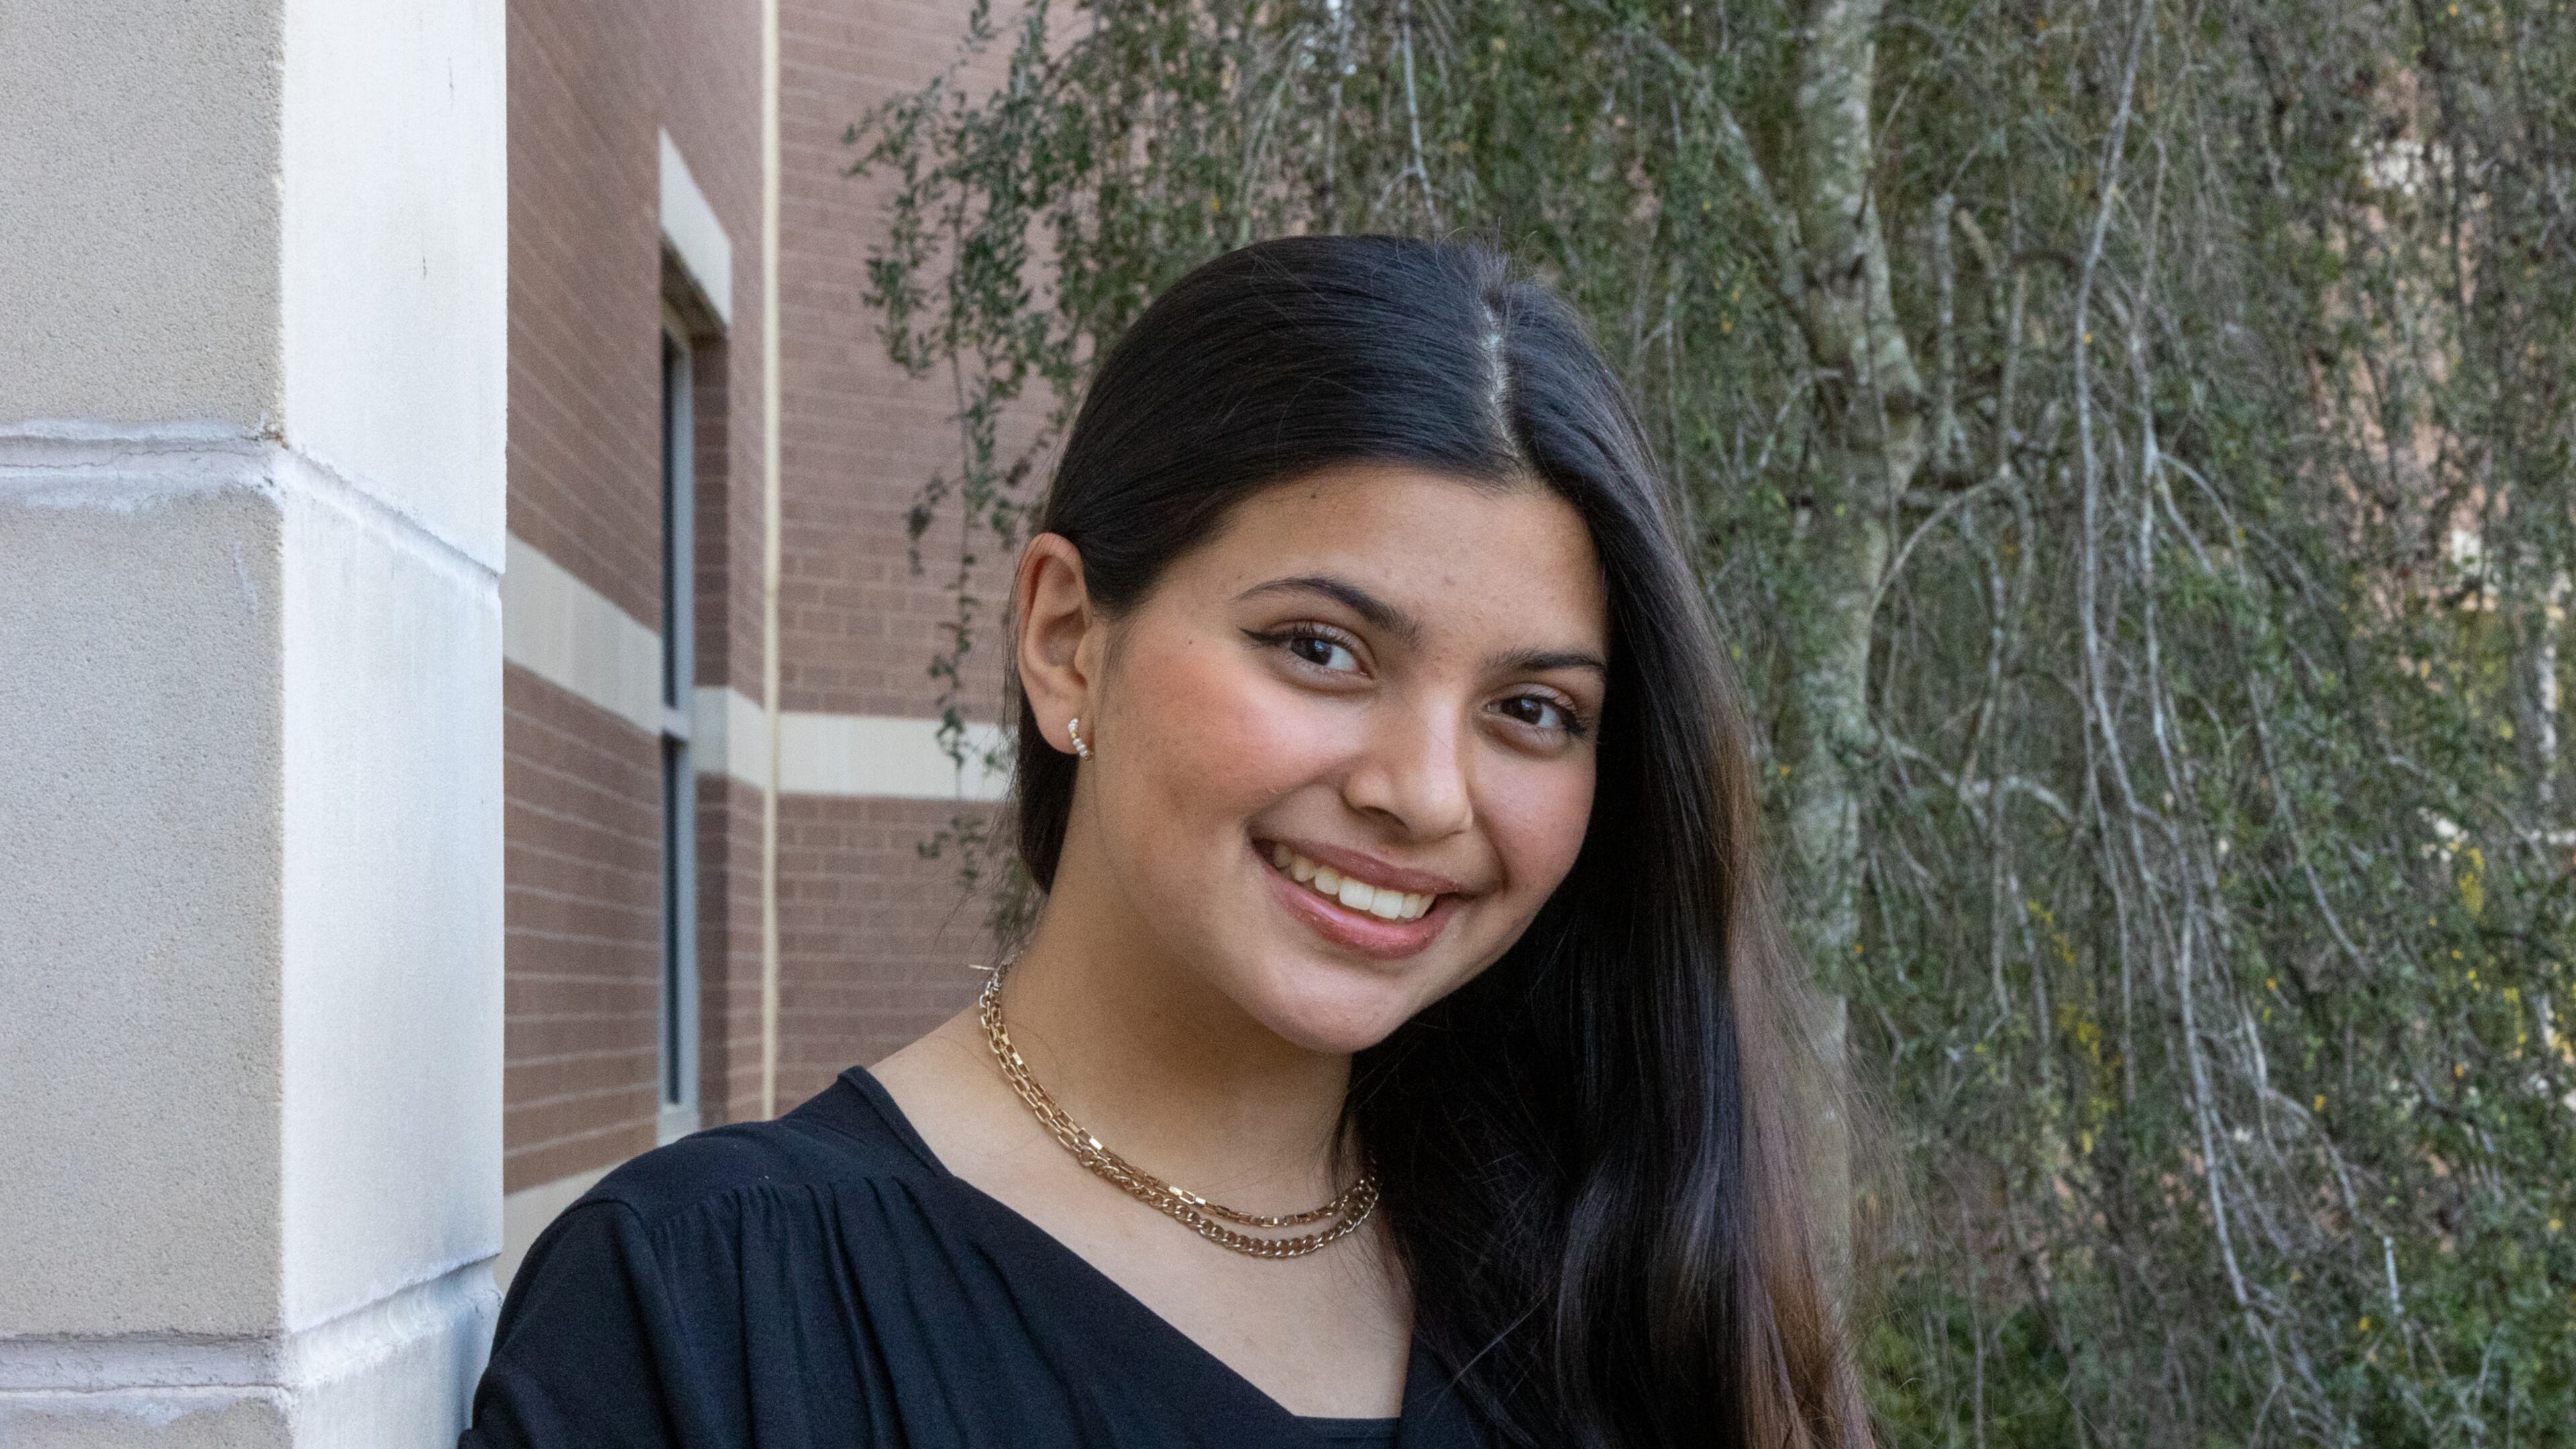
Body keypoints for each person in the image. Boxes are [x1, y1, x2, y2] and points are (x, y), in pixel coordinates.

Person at [459, 235, 1869, 1449]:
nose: (1428, 793)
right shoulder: (707, 1310)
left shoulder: (1616, 1289)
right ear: (1068, 643)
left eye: (1534, 710)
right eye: (1321, 648)